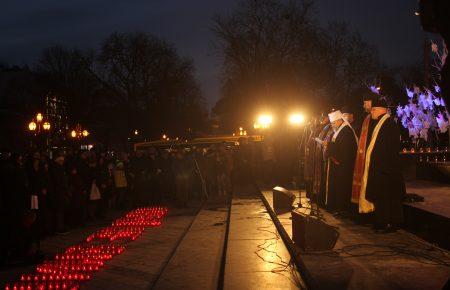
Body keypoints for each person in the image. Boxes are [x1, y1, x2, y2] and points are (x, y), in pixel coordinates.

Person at [360, 97, 405, 232]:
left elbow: (391, 148)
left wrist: (384, 169)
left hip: (386, 171)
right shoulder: (381, 123)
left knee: (388, 199)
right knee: (381, 198)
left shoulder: (389, 124)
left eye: (373, 110)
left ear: (380, 110)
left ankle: (389, 224)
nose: (371, 112)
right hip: (380, 170)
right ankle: (382, 222)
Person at [323, 110, 358, 212]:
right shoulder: (340, 130)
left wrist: (328, 145)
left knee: (343, 188)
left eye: (334, 123)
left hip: (344, 165)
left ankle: (343, 209)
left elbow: (344, 148)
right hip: (339, 165)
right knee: (338, 188)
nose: (333, 125)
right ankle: (338, 208)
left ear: (339, 120)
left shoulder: (346, 131)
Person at [352, 93, 375, 211]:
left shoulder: (374, 118)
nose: (363, 105)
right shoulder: (367, 118)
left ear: (371, 102)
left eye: (365, 103)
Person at [50, 152, 71, 234]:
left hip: (62, 192)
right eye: (61, 161)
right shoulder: (56, 169)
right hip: (58, 192)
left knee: (62, 210)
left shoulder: (61, 168)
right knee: (59, 210)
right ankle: (59, 227)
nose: (62, 162)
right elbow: (58, 180)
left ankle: (61, 225)